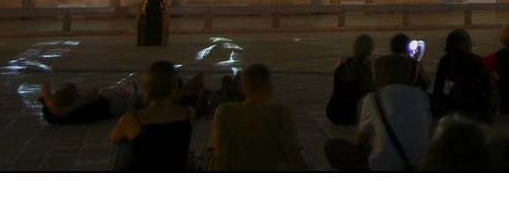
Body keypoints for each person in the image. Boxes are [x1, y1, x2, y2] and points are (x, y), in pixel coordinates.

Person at [324, 53, 430, 171]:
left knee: (333, 146)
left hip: (382, 168)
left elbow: (362, 141)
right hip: (416, 166)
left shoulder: (373, 98)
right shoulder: (421, 96)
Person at [206, 63, 308, 171]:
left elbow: (219, 158)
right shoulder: (281, 114)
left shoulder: (224, 111)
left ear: (241, 88)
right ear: (269, 89)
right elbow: (294, 158)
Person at [108, 60, 193, 171]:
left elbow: (115, 138)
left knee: (125, 143)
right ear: (174, 86)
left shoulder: (132, 118)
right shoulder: (187, 113)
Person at [40, 69, 204, 125]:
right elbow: (93, 93)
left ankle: (191, 88)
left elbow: (44, 87)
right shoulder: (78, 107)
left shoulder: (52, 112)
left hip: (121, 98)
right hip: (120, 103)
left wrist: (50, 103)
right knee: (158, 98)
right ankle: (192, 86)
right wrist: (59, 107)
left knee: (158, 97)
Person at [431, 28, 496, 123]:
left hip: (458, 105)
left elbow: (438, 88)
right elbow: (488, 86)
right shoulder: (477, 60)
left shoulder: (446, 60)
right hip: (478, 106)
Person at [326, 33, 375, 125]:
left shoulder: (342, 63)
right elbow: (370, 92)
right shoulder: (364, 68)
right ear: (369, 50)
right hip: (351, 116)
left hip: (332, 112)